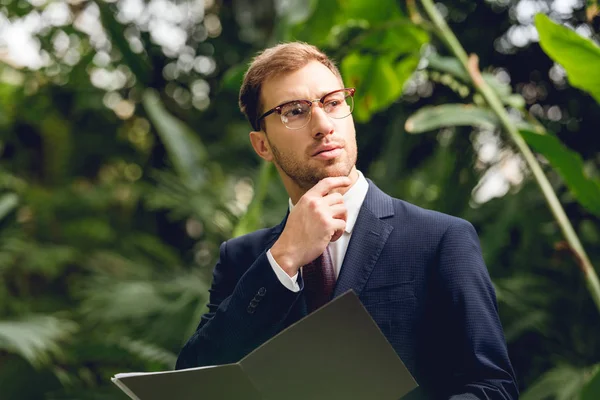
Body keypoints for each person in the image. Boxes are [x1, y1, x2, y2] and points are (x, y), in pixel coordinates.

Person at [176, 42, 518, 399]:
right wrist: (284, 260)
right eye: (294, 111)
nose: (323, 125)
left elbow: (494, 388)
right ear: (262, 145)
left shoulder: (441, 238)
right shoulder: (242, 259)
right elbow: (192, 382)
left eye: (333, 102)